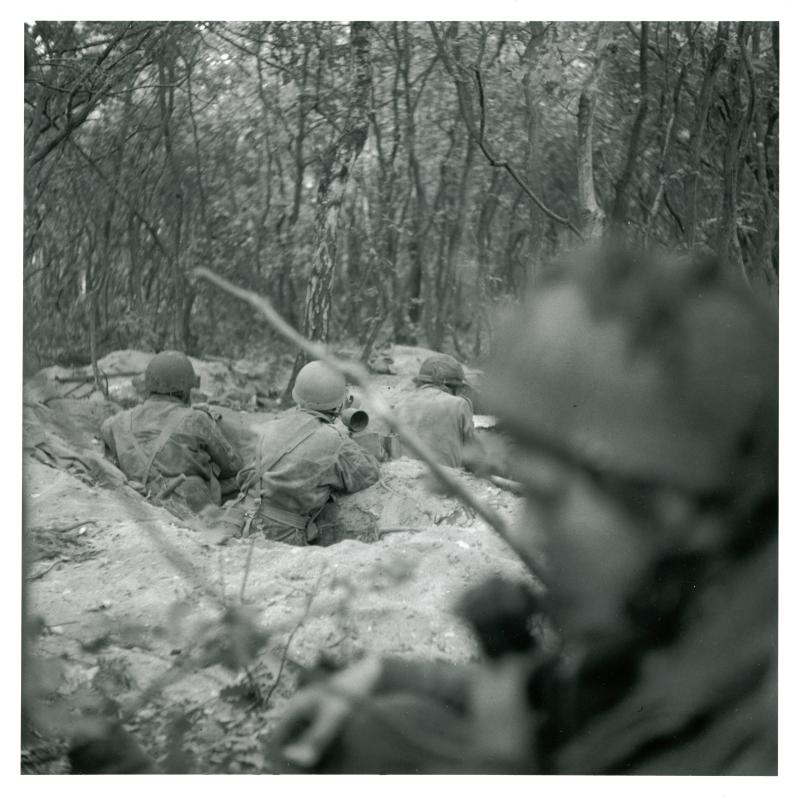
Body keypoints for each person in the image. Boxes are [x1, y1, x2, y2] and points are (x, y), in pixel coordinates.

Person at [271, 247, 777, 774]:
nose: (531, 530)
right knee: (378, 728)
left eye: (552, 497)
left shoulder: (759, 733)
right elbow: (578, 691)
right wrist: (380, 675)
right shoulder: (690, 612)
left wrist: (502, 761)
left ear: (676, 504)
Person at [238, 361, 381, 546]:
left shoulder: (268, 427)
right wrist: (347, 435)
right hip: (282, 536)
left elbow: (242, 476)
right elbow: (368, 474)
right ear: (339, 404)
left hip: (242, 520)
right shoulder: (334, 440)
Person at [101, 350, 243, 516]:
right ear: (185, 391)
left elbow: (106, 437)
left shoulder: (117, 422)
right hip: (190, 508)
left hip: (137, 502)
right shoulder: (196, 419)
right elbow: (233, 466)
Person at [392, 354, 476, 469]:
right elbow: (473, 456)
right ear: (451, 386)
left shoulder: (399, 406)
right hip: (443, 481)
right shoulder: (460, 405)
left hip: (402, 478)